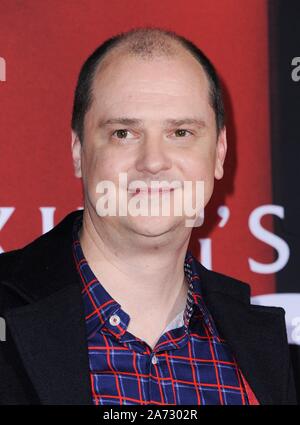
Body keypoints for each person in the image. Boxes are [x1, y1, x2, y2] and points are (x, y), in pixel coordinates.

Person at [0, 27, 297, 405]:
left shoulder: (270, 356)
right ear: (78, 150)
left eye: (181, 132)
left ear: (220, 152)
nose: (153, 162)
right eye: (124, 133)